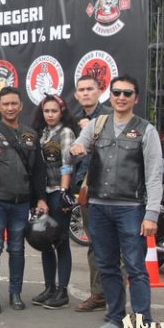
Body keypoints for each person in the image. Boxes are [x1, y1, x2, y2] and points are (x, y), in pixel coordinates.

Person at [70, 75, 163, 328]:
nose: (121, 97)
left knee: (136, 268)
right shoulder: (97, 125)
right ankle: (115, 319)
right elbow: (77, 146)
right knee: (107, 266)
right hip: (99, 207)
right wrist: (76, 147)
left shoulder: (146, 130)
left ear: (136, 98)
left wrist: (151, 214)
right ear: (109, 96)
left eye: (127, 93)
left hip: (131, 209)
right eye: (117, 92)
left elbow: (154, 175)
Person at [0, 86, 48, 314]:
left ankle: (15, 294)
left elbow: (38, 171)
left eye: (14, 103)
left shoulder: (31, 135)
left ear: (21, 106)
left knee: (17, 249)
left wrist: (41, 199)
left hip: (21, 202)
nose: (10, 107)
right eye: (6, 104)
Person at [30, 94, 77, 309]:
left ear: (61, 112)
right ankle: (49, 287)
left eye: (54, 111)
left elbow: (68, 164)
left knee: (61, 241)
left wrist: (65, 192)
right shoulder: (40, 133)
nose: (50, 115)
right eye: (46, 111)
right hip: (43, 194)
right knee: (44, 240)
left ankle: (62, 291)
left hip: (58, 191)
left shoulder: (66, 132)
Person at [71, 75, 113, 312]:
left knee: (114, 245)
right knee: (94, 243)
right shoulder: (75, 119)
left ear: (99, 91)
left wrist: (94, 132)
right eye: (82, 90)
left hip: (111, 189)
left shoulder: (110, 116)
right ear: (76, 95)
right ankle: (98, 295)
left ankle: (114, 297)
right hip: (86, 188)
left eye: (90, 89)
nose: (86, 93)